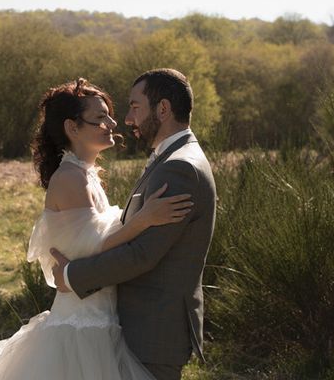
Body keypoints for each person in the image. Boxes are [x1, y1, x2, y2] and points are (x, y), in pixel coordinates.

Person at [0, 78, 193, 380]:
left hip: (101, 316)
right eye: (99, 118)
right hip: (82, 326)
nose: (112, 122)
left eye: (108, 114)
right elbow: (98, 246)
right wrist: (145, 218)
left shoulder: (86, 175)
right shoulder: (70, 179)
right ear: (72, 128)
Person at [51, 68, 217, 380]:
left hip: (153, 332)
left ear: (163, 109)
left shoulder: (179, 168)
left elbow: (141, 254)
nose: (127, 119)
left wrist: (71, 275)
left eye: (135, 107)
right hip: (140, 328)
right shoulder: (171, 159)